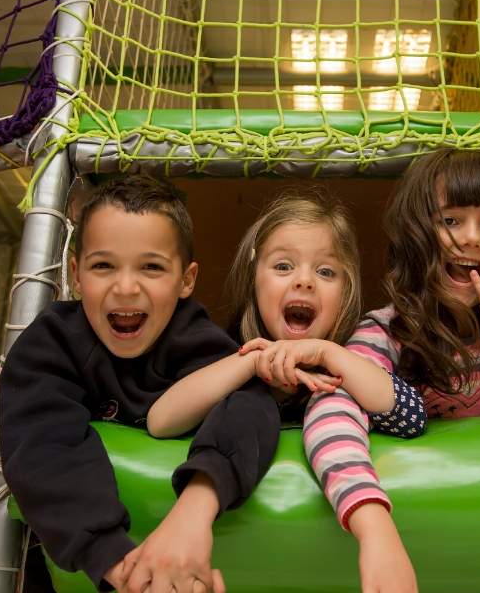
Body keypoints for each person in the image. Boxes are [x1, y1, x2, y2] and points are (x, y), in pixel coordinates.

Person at [297, 148, 480, 588]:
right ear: (418, 234)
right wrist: (372, 526)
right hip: (411, 542)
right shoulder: (386, 331)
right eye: (450, 220)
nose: (470, 238)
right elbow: (330, 409)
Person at [0, 175, 279, 593]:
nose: (126, 287)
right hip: (82, 575)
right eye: (103, 265)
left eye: (151, 267)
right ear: (76, 274)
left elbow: (252, 407)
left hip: (192, 561)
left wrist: (194, 513)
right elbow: (42, 442)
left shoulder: (197, 342)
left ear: (187, 279)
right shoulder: (53, 343)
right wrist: (123, 568)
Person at [147, 190, 423, 593]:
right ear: (253, 278)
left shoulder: (353, 357)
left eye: (327, 272)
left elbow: (411, 415)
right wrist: (249, 364)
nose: (304, 280)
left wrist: (329, 354)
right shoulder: (226, 353)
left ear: (346, 293)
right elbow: (161, 420)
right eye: (283, 266)